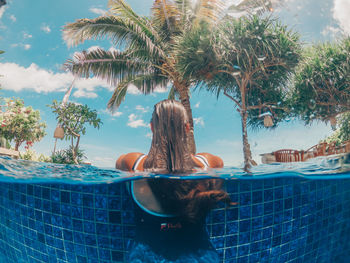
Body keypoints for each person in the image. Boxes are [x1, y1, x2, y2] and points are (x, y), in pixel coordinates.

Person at [116, 99, 234, 262]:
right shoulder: (210, 162)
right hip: (201, 255)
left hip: (145, 256)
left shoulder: (132, 162)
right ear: (187, 128)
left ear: (152, 127)